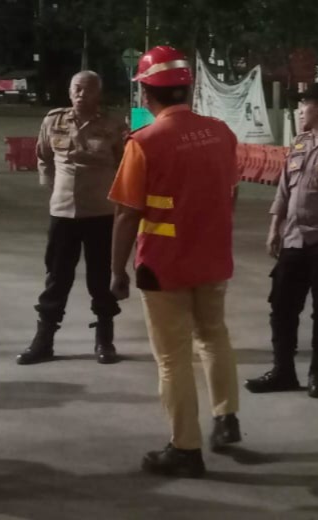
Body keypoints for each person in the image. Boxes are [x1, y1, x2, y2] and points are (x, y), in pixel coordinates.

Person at [109, 45, 240, 478]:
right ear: (188, 89)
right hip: (213, 258)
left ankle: (185, 448)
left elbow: (127, 213)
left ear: (146, 93)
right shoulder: (221, 133)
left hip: (163, 265)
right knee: (214, 336)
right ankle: (226, 416)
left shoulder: (144, 143)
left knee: (173, 358)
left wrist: (116, 271)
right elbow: (231, 193)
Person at [245, 82, 318, 400]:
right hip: (293, 239)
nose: (300, 111)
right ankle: (283, 371)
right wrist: (275, 227)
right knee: (281, 307)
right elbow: (284, 189)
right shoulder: (299, 143)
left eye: (304, 105)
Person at [18, 70, 127, 366]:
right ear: (69, 92)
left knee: (100, 277)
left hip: (100, 212)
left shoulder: (114, 125)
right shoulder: (53, 121)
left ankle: (105, 338)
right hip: (63, 212)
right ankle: (44, 340)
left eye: (88, 89)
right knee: (57, 277)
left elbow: (124, 164)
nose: (81, 94)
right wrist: (54, 188)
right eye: (76, 89)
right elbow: (44, 156)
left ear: (98, 94)